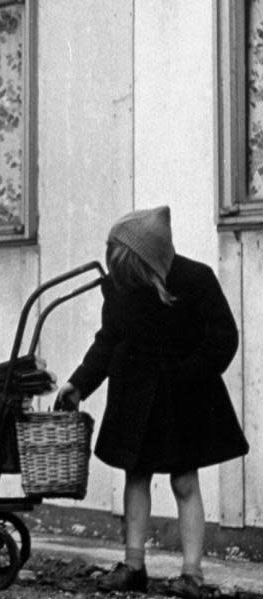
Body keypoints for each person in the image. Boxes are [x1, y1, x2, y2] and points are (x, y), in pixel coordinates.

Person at [54, 206, 249, 599]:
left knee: (184, 480)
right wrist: (79, 384)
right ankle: (133, 566)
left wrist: (187, 373)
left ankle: (192, 575)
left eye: (125, 263)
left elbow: (223, 338)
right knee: (136, 475)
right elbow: (108, 340)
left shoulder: (195, 279)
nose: (117, 270)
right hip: (135, 396)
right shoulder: (121, 284)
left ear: (149, 257)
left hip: (184, 398)